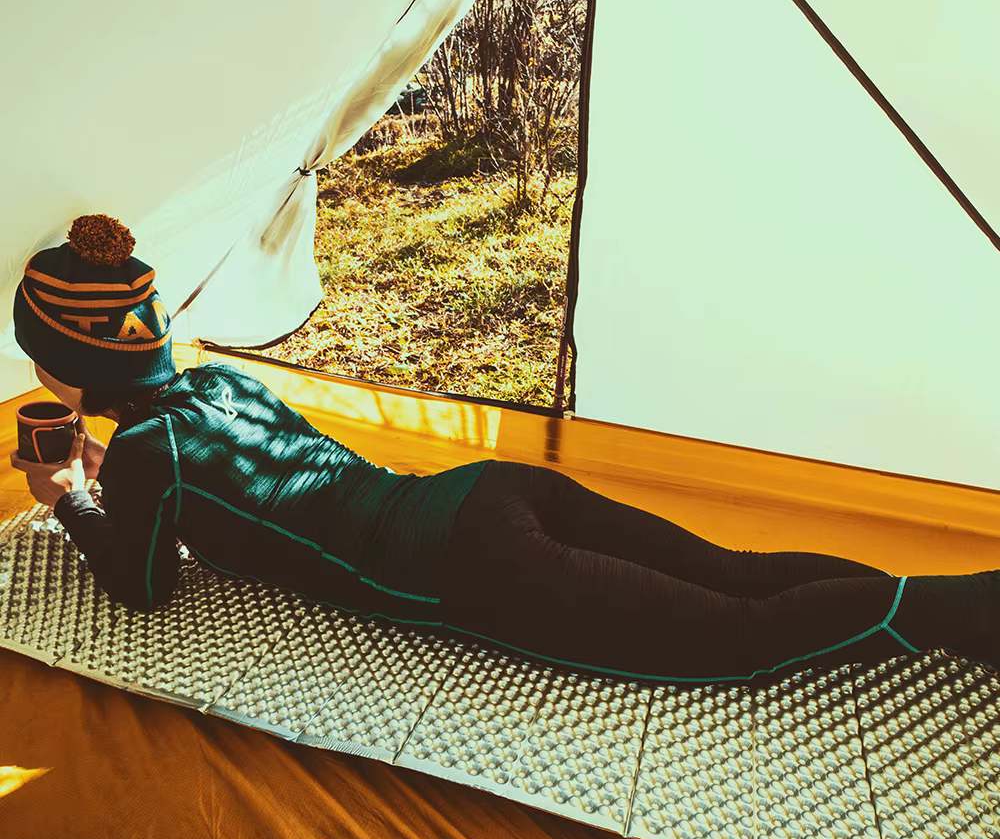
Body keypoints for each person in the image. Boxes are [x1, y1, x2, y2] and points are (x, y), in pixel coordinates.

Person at [9, 215, 999, 684]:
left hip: (471, 566)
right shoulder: (219, 383)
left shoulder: (143, 455)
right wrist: (106, 470)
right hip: (489, 488)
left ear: (63, 369)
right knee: (737, 570)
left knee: (732, 642)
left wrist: (67, 497)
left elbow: (144, 585)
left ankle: (957, 610)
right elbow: (218, 478)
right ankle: (952, 597)